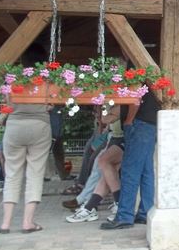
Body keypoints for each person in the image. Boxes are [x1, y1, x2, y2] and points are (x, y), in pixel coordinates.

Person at [0, 44, 52, 234]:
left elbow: (6, 103)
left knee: (12, 173)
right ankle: (27, 222)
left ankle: (5, 223)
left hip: (14, 126)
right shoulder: (46, 80)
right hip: (39, 126)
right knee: (35, 173)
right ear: (43, 62)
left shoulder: (12, 80)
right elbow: (51, 104)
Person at [100, 90, 160, 230]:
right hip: (150, 125)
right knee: (146, 172)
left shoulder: (134, 73)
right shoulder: (151, 79)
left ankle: (124, 216)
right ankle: (145, 213)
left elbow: (135, 98)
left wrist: (128, 121)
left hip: (138, 125)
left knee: (129, 172)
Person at [66, 105, 125, 223]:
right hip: (115, 137)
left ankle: (116, 204)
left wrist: (107, 113)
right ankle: (89, 206)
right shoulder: (112, 101)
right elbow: (106, 119)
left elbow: (107, 119)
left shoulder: (122, 99)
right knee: (106, 173)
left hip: (124, 137)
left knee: (103, 162)